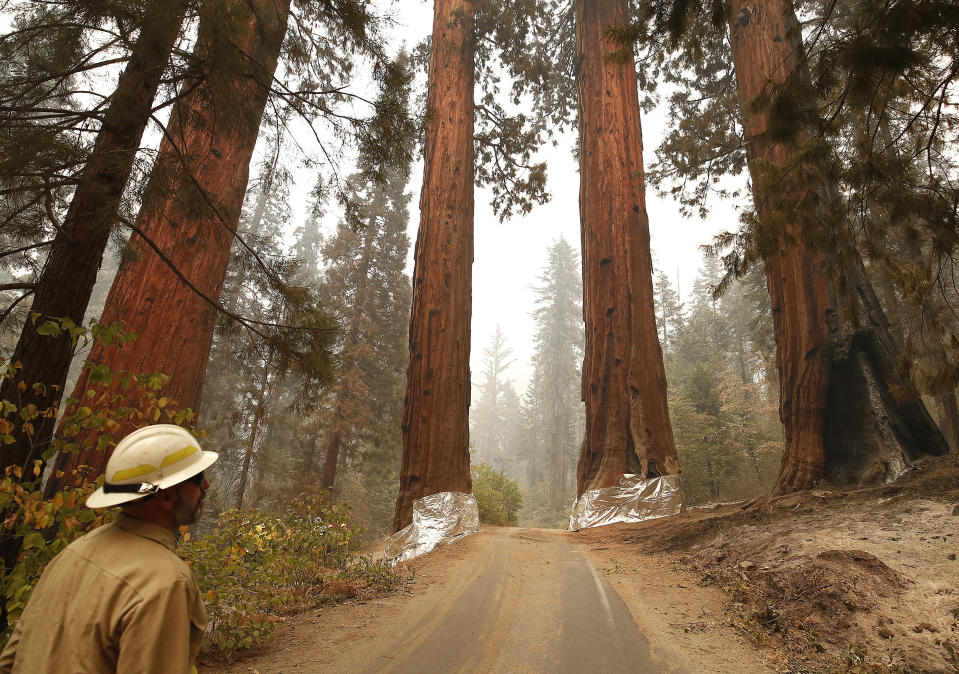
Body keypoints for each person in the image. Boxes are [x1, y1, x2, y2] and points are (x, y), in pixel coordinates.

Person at [0, 424, 218, 673]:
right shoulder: (165, 581)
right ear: (166, 496)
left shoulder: (72, 553)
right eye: (197, 478)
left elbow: (11, 661)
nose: (206, 485)